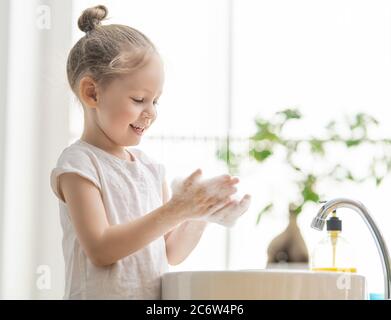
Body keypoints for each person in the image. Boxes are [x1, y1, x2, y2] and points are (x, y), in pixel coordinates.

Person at [50, 4, 251, 299]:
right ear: (92, 93)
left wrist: (200, 214)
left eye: (155, 101)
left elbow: (171, 251)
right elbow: (101, 249)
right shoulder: (79, 164)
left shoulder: (151, 169)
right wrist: (176, 210)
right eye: (139, 99)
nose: (151, 113)